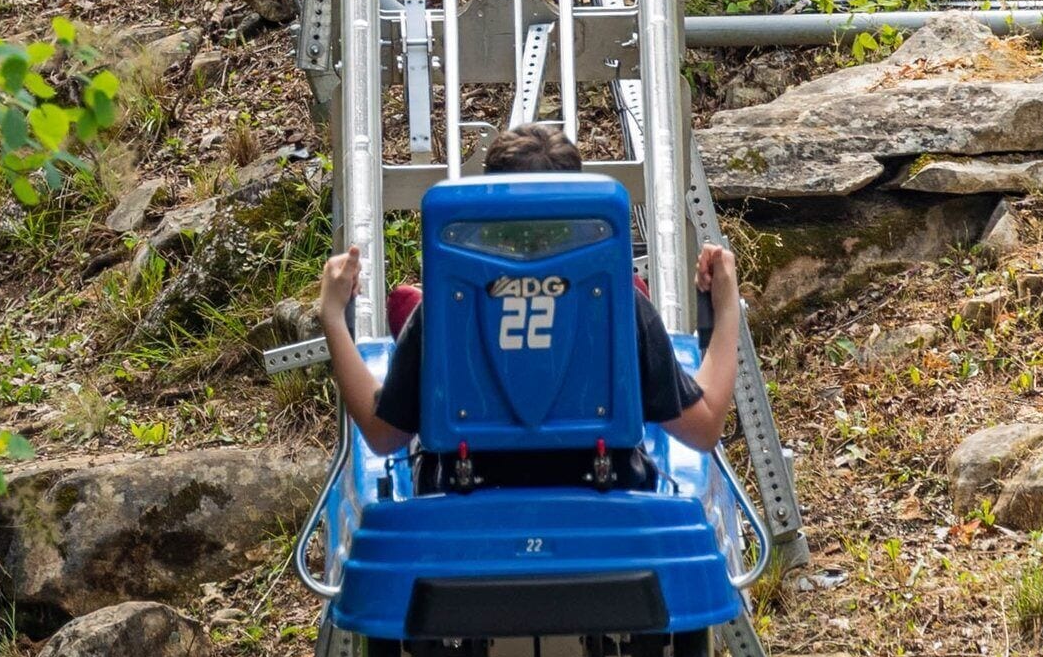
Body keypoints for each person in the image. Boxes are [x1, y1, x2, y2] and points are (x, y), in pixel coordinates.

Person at [313, 121, 737, 460]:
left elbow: (383, 435)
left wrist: (333, 316)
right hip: (602, 489)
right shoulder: (621, 306)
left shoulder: (443, 311)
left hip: (464, 500)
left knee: (410, 301)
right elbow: (704, 429)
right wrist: (727, 307)